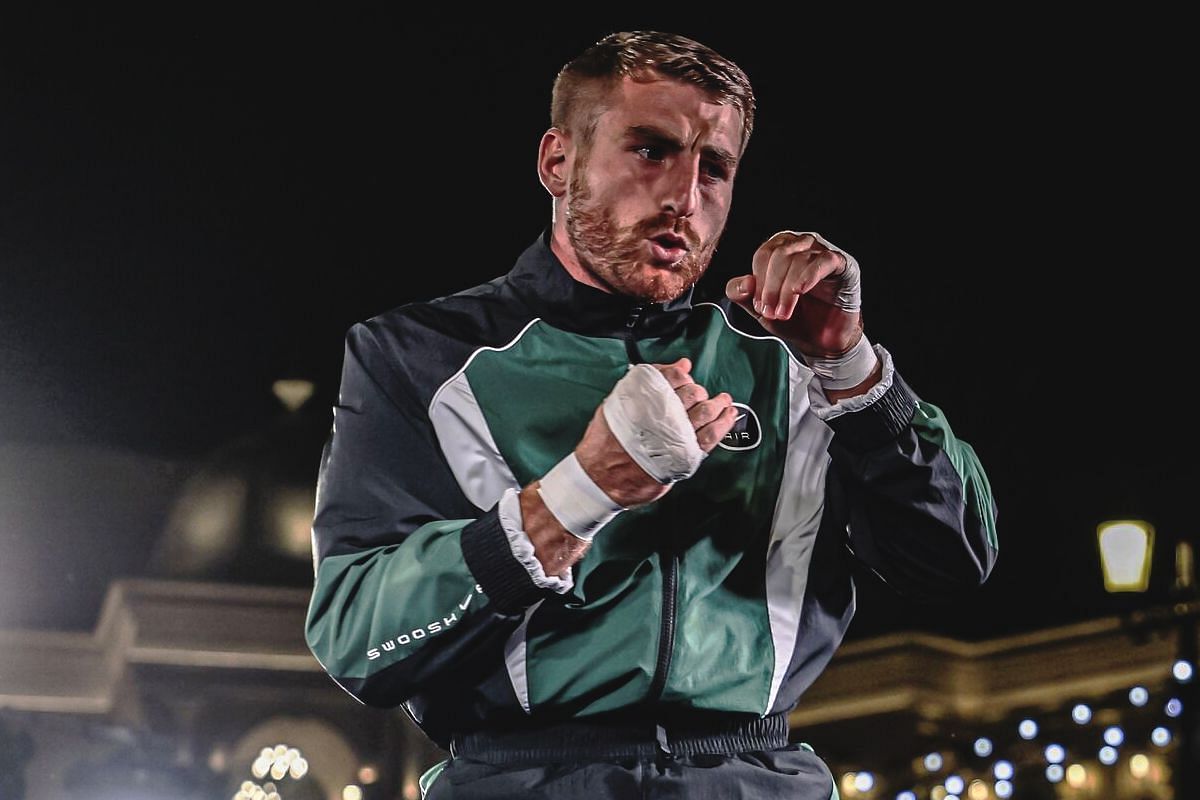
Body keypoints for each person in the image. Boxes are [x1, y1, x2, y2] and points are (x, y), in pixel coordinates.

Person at [304, 30, 998, 800]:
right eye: (650, 151)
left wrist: (851, 366)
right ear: (558, 161)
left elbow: (954, 558)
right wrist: (577, 494)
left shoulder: (788, 359)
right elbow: (360, 642)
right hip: (522, 781)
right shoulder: (418, 356)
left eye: (715, 168)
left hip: (761, 778)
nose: (683, 197)